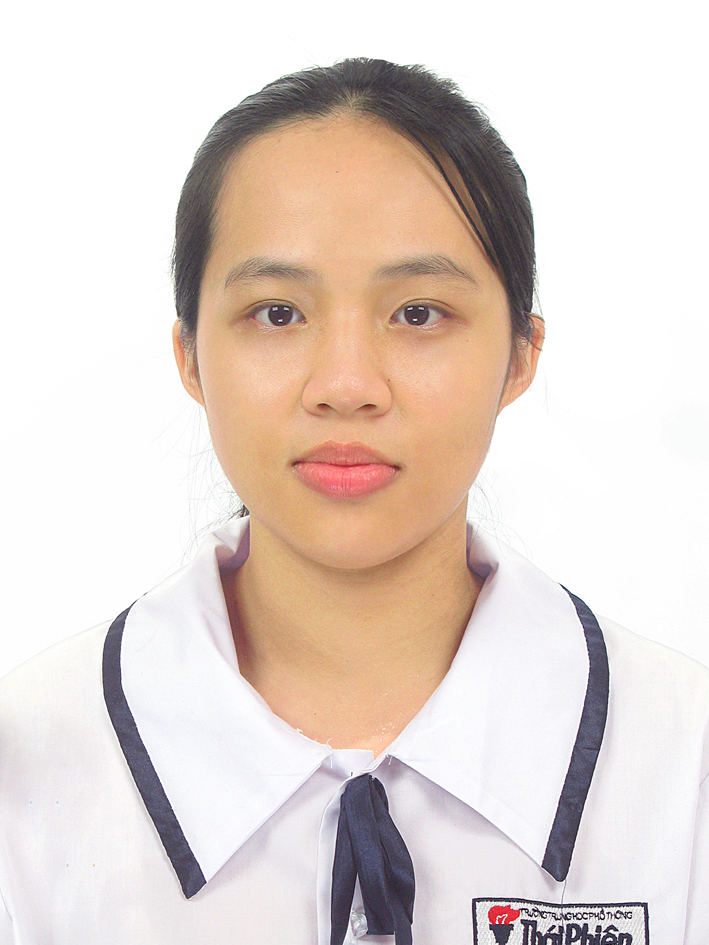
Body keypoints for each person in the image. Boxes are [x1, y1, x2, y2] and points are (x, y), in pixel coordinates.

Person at [0, 57, 706, 945]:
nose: (345, 385)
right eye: (277, 313)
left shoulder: (682, 763)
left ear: (519, 354)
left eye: (417, 313)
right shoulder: (25, 766)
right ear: (190, 356)